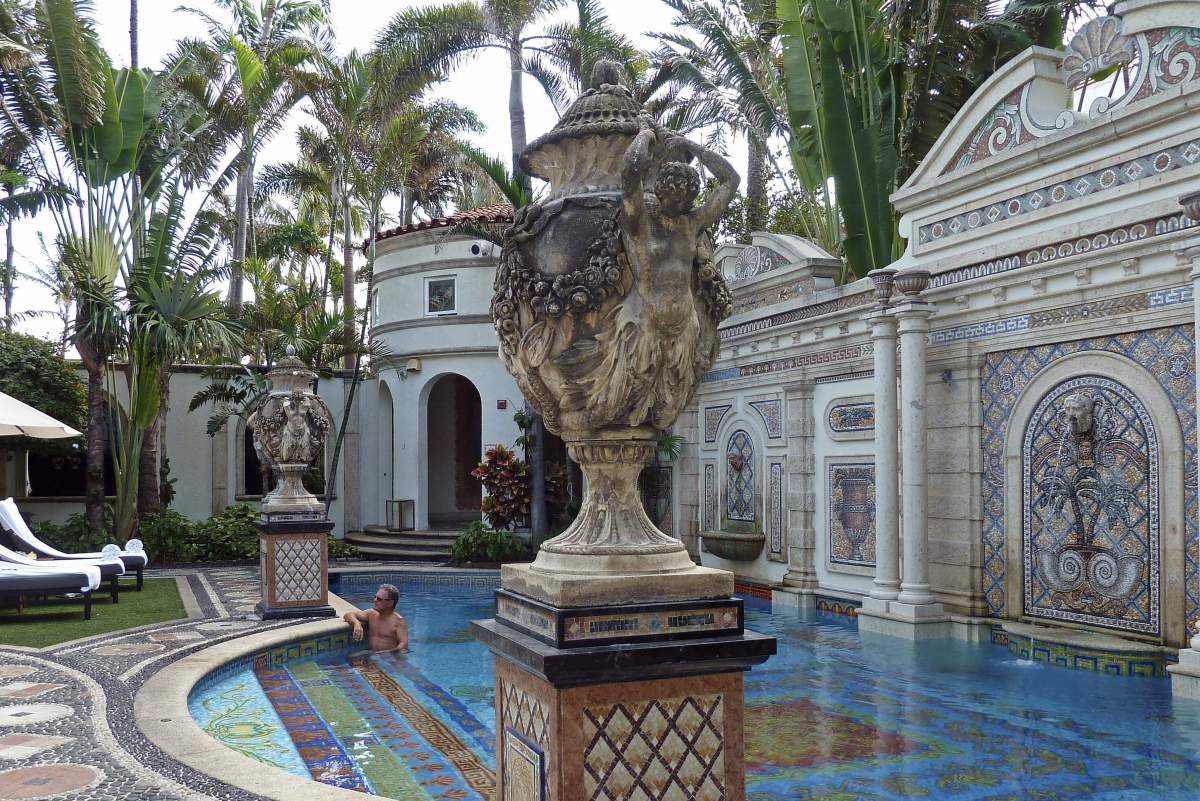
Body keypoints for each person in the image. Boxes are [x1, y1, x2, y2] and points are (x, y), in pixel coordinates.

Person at [343, 583, 409, 653]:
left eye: (379, 599)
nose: (375, 600)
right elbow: (348, 615)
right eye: (375, 597)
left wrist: (387, 653)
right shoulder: (371, 614)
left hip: (390, 657)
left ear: (390, 603)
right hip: (372, 654)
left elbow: (403, 645)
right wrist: (356, 623)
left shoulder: (398, 622)